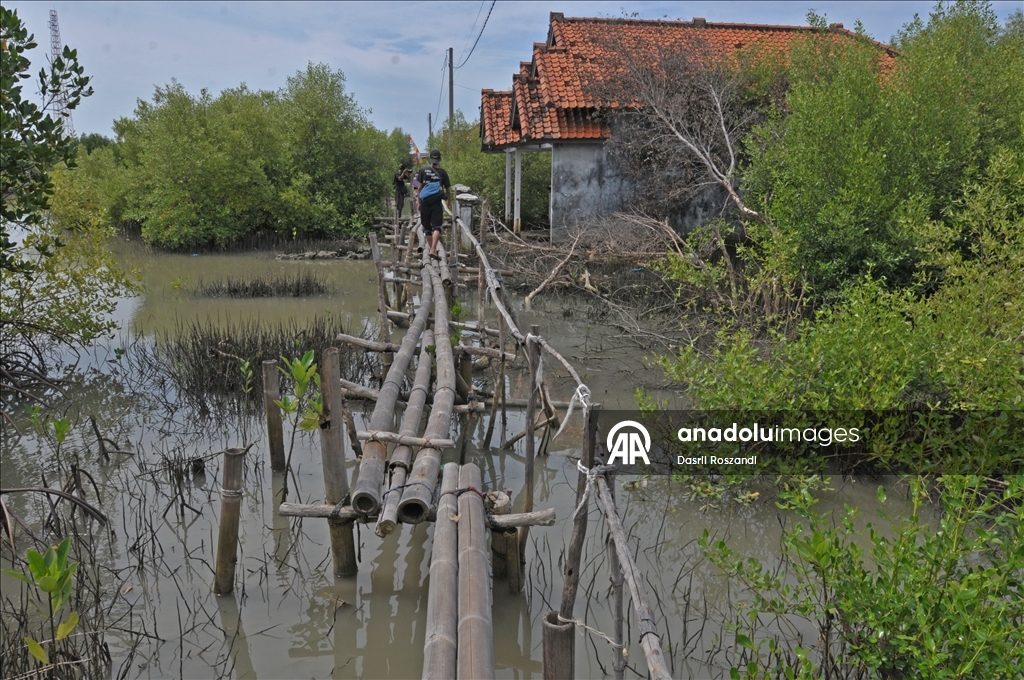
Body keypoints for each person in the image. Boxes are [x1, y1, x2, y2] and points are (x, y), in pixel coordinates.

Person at [414, 150, 451, 260]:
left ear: (430, 159)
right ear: (439, 159)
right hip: (436, 202)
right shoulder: (443, 172)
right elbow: (448, 189)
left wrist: (419, 202)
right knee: (436, 227)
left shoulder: (423, 170)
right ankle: (433, 249)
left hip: (425, 202)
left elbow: (419, 188)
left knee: (427, 228)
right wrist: (449, 201)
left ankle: (432, 250)